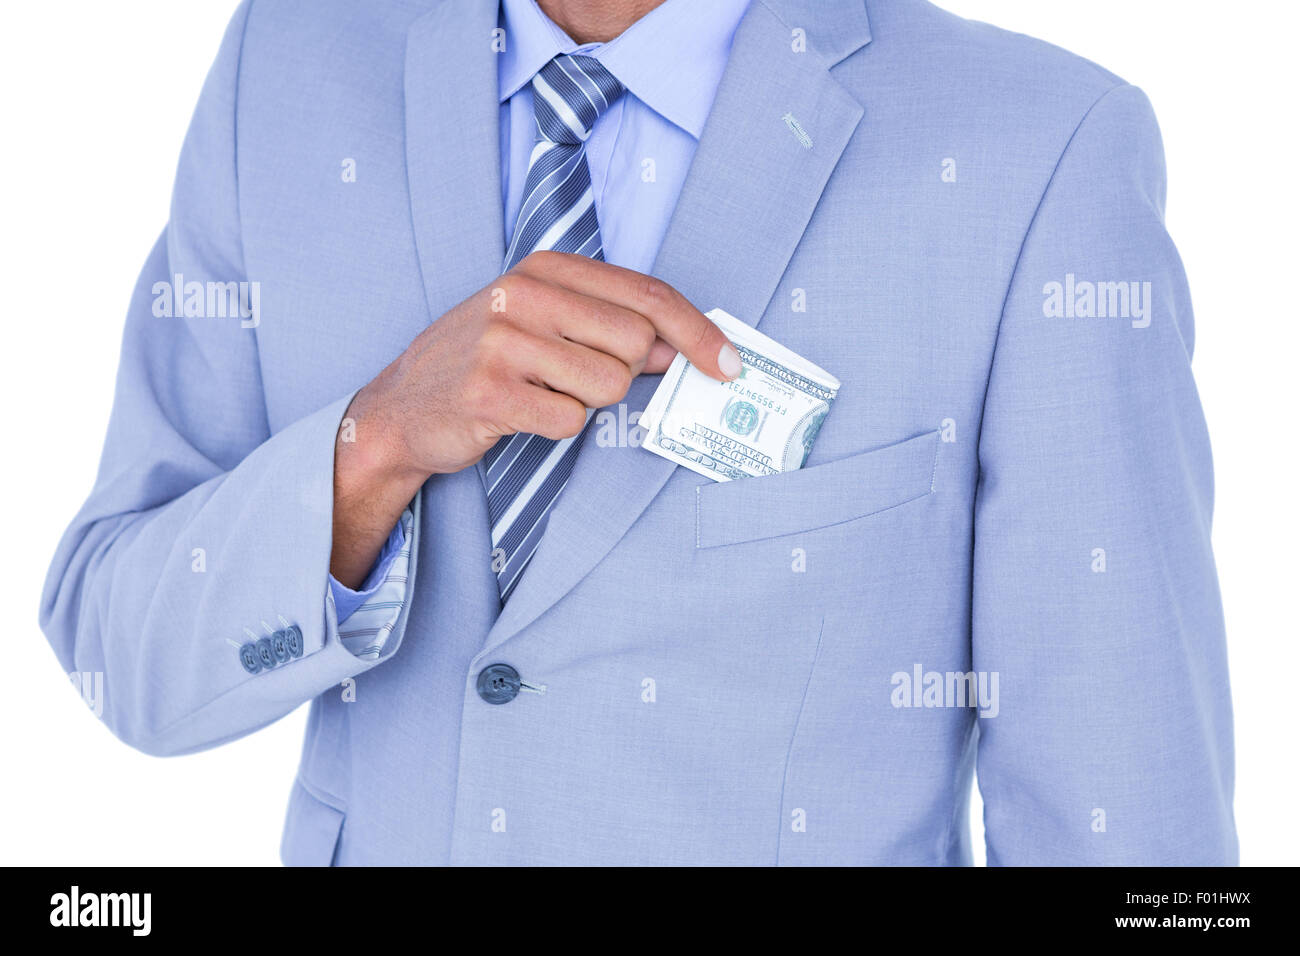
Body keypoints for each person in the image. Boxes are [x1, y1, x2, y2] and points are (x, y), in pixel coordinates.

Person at [41, 0, 1236, 865]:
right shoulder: (285, 63)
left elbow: (1128, 813)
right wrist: (378, 441)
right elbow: (124, 650)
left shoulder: (1037, 148)